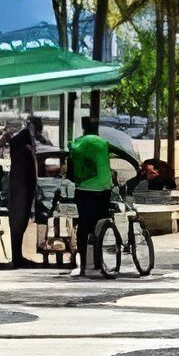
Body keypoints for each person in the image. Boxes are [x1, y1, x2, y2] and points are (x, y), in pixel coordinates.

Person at [68, 116, 114, 276]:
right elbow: (119, 152)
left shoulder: (75, 144)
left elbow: (70, 171)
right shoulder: (102, 143)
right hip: (102, 190)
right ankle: (98, 262)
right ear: (97, 128)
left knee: (83, 227)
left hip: (83, 190)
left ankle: (82, 265)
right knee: (100, 226)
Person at [6, 116, 47, 269]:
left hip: (25, 187)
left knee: (21, 222)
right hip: (20, 187)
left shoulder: (28, 139)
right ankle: (16, 257)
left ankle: (18, 256)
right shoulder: (21, 139)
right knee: (18, 222)